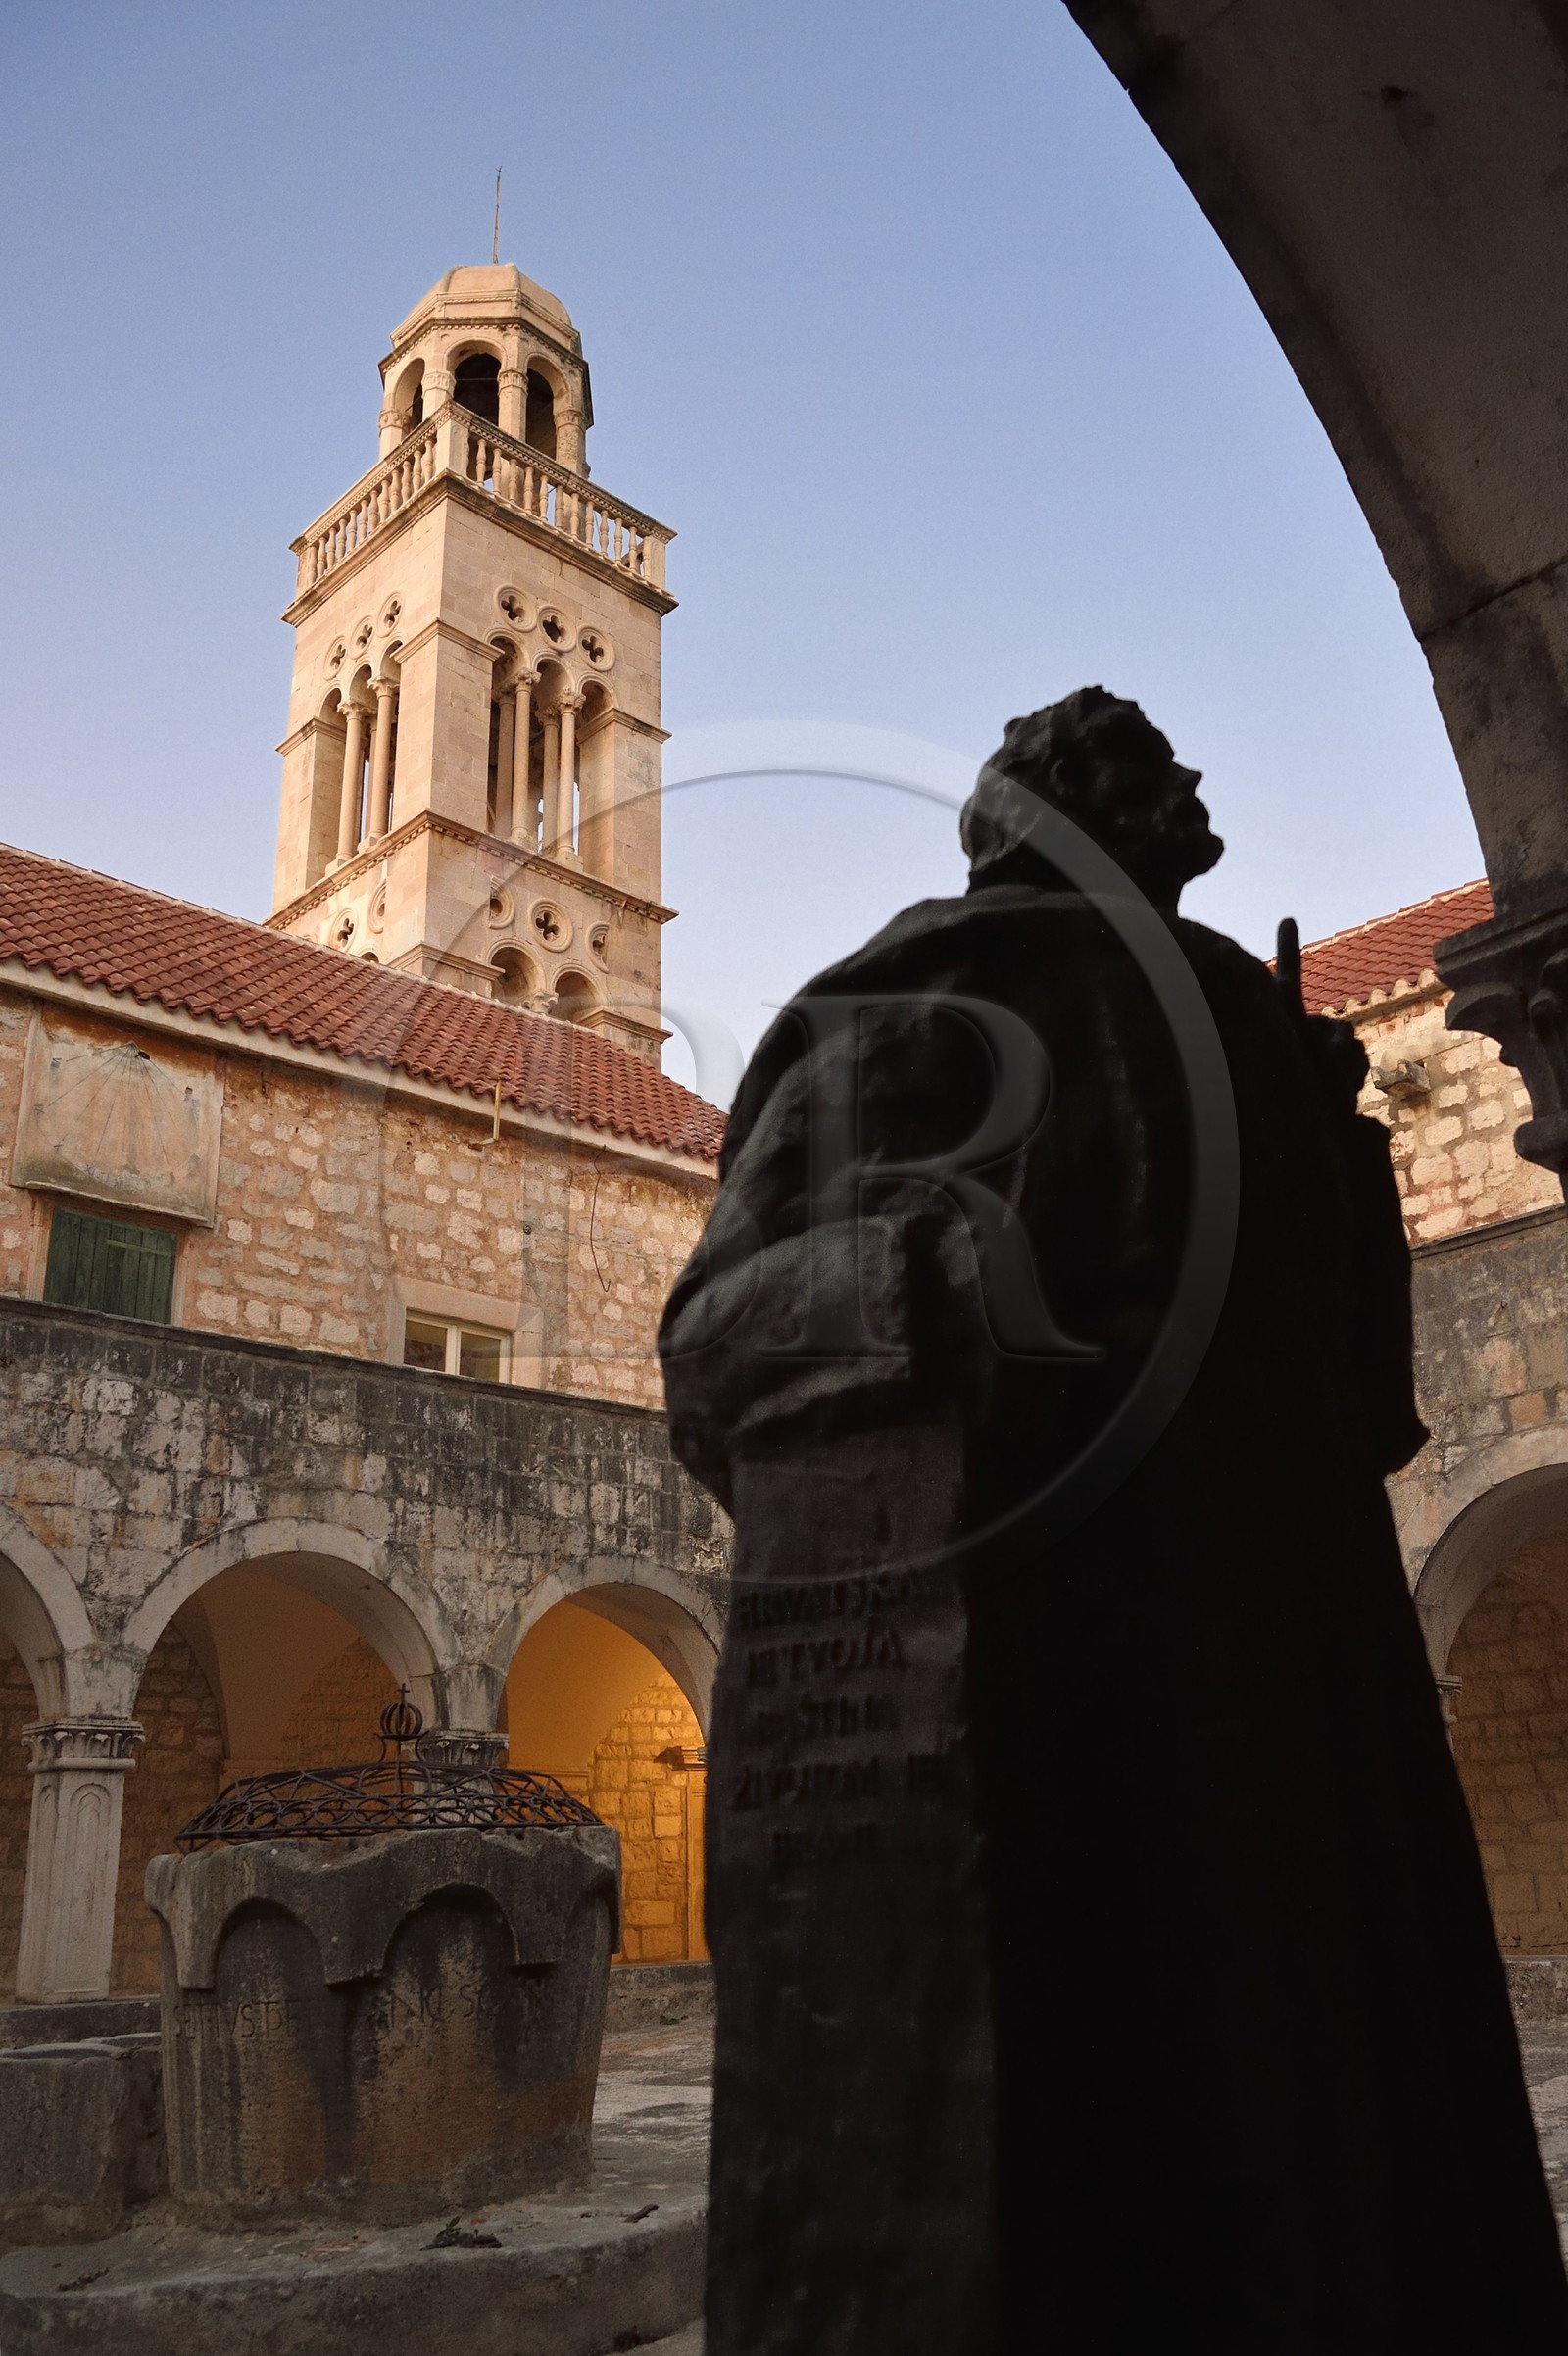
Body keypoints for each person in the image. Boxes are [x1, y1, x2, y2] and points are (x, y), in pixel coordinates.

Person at [661, 689, 1568, 2350]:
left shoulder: (1246, 1028)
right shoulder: (921, 1003)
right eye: (1152, 769)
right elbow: (725, 1339)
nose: (1194, 788)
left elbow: (1370, 1409)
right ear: (1066, 807)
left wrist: (1335, 1145)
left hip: (1283, 1685)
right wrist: (966, 1287)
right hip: (1063, 1692)